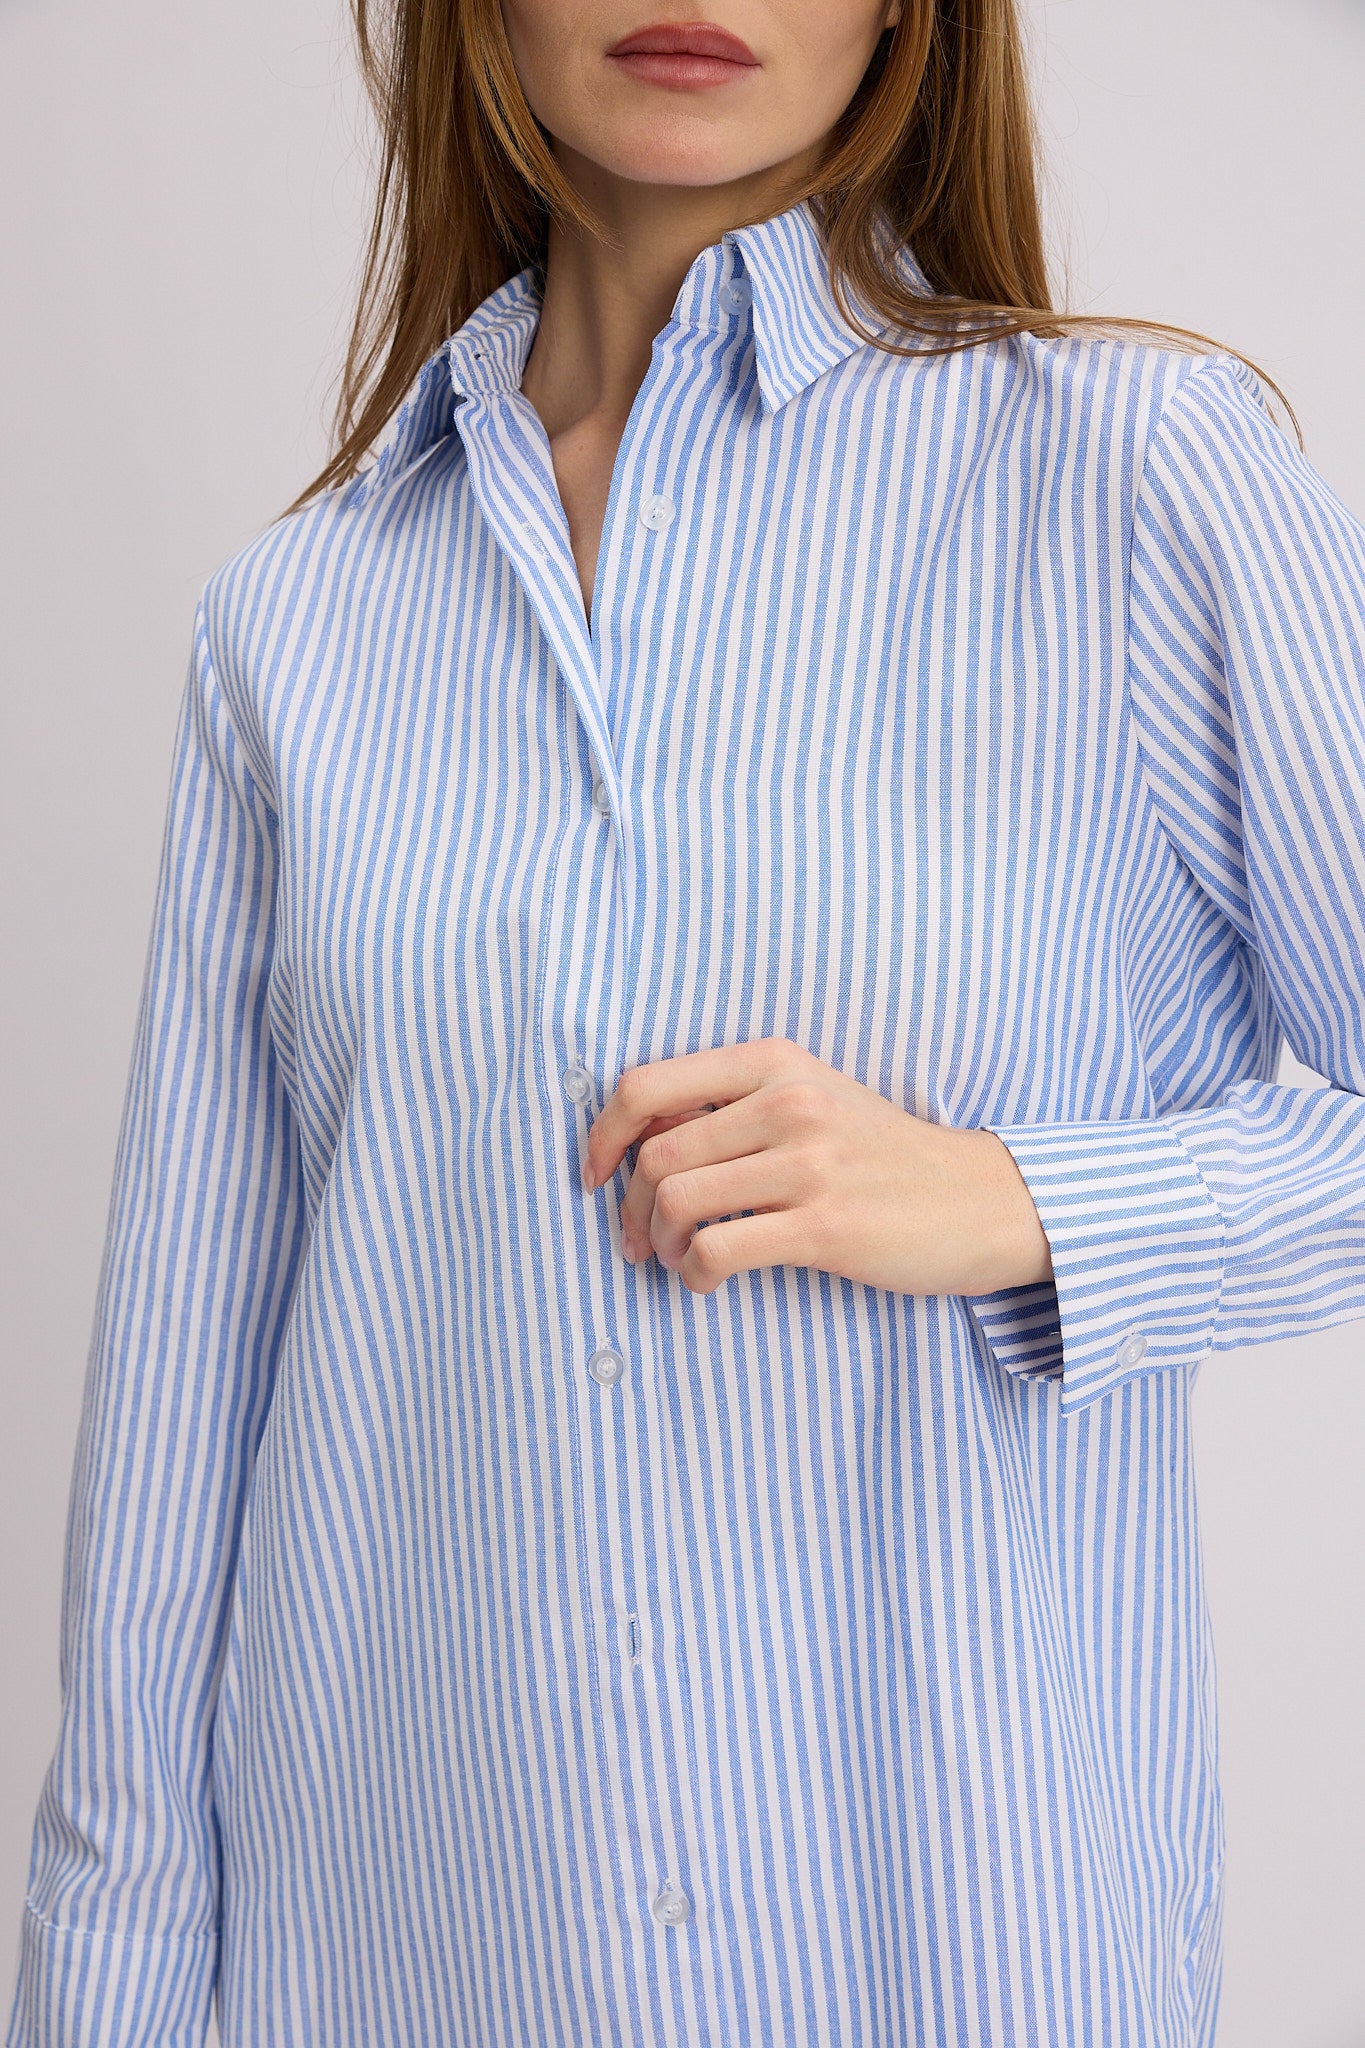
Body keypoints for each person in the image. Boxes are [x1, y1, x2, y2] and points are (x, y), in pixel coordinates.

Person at [8, 1, 1365, 2043]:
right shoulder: (291, 627)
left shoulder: (1138, 483)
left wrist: (1016, 1201)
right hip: (393, 1961)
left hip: (943, 1956)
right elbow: (174, 1454)